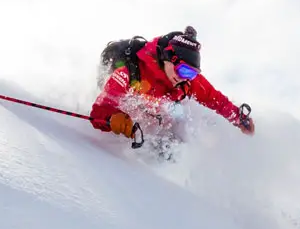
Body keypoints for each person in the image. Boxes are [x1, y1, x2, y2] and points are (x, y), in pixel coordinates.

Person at [90, 26, 255, 142]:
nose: (185, 78)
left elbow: (215, 99)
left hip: (155, 120)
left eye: (191, 73)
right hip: (131, 119)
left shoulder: (186, 81)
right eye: (184, 70)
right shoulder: (129, 72)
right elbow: (99, 112)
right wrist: (112, 117)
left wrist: (238, 117)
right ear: (168, 58)